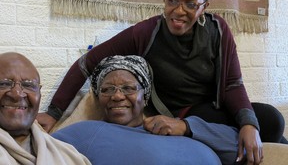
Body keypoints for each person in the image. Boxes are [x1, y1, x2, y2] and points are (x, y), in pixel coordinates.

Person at [37, 0, 285, 164]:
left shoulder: (218, 29)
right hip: (180, 116)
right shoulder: (146, 32)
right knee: (266, 130)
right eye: (172, 1)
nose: (178, 11)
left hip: (215, 110)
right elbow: (86, 63)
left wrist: (249, 125)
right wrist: (53, 112)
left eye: (190, 4)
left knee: (269, 121)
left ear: (205, 6)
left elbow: (232, 84)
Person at [52, 55, 240, 165]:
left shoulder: (170, 127)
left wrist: (185, 127)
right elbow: (36, 149)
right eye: (107, 89)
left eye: (128, 88)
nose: (117, 96)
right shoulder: (85, 132)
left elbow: (240, 147)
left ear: (146, 97)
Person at [0, 52, 91, 165]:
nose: (17, 94)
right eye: (3, 84)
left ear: (39, 94)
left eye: (28, 85)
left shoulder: (70, 156)